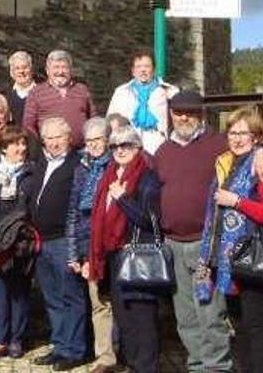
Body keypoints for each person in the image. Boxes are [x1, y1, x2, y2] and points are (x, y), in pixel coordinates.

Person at [150, 91, 263, 373]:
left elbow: (255, 148)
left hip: (206, 245)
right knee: (186, 315)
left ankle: (217, 366)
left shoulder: (219, 143)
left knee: (210, 312)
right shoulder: (163, 151)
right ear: (171, 115)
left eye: (190, 112)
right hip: (172, 243)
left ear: (201, 115)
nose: (184, 117)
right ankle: (197, 364)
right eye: (179, 112)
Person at [198, 108, 263, 373]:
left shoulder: (261, 164)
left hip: (254, 259)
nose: (237, 138)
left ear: (256, 137)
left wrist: (238, 202)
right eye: (232, 132)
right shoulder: (227, 163)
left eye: (244, 133)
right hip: (229, 260)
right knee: (239, 324)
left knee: (257, 327)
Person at [86, 126, 164, 373]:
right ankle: (133, 364)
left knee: (143, 317)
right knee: (124, 316)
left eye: (126, 145)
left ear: (138, 148)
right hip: (113, 255)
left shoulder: (146, 176)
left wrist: (123, 198)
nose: (120, 150)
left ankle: (146, 366)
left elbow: (150, 219)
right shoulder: (109, 175)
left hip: (138, 254)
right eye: (115, 146)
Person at [28, 117, 88, 371]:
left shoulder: (77, 164)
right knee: (51, 297)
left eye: (58, 137)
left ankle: (75, 350)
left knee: (70, 296)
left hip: (65, 240)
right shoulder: (42, 163)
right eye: (49, 138)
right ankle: (60, 344)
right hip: (41, 241)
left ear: (69, 138)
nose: (53, 142)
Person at [0, 126, 39, 362]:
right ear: (3, 147)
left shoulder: (32, 172)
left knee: (19, 292)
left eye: (23, 143)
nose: (21, 148)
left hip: (20, 242)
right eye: (15, 144)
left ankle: (16, 339)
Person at [66, 117, 117, 372]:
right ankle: (105, 356)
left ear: (108, 140)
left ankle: (126, 351)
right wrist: (74, 251)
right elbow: (74, 212)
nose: (94, 145)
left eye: (98, 139)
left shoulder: (117, 165)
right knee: (98, 303)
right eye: (89, 141)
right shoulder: (81, 168)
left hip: (115, 243)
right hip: (90, 245)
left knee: (119, 300)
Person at [107, 53, 178, 154]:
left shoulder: (168, 91)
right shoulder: (122, 92)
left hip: (158, 147)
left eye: (147, 66)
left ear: (153, 69)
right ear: (133, 71)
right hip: (128, 147)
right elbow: (110, 120)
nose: (143, 70)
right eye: (139, 66)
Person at [23, 50, 96, 147]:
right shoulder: (36, 92)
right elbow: (28, 125)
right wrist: (42, 145)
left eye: (64, 67)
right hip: (50, 152)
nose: (60, 72)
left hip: (81, 152)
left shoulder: (82, 90)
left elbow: (93, 120)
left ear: (70, 70)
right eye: (56, 67)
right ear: (47, 70)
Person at [5, 51, 36, 125]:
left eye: (25, 67)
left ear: (31, 69)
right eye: (17, 68)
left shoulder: (42, 94)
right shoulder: (5, 96)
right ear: (11, 72)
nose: (21, 71)